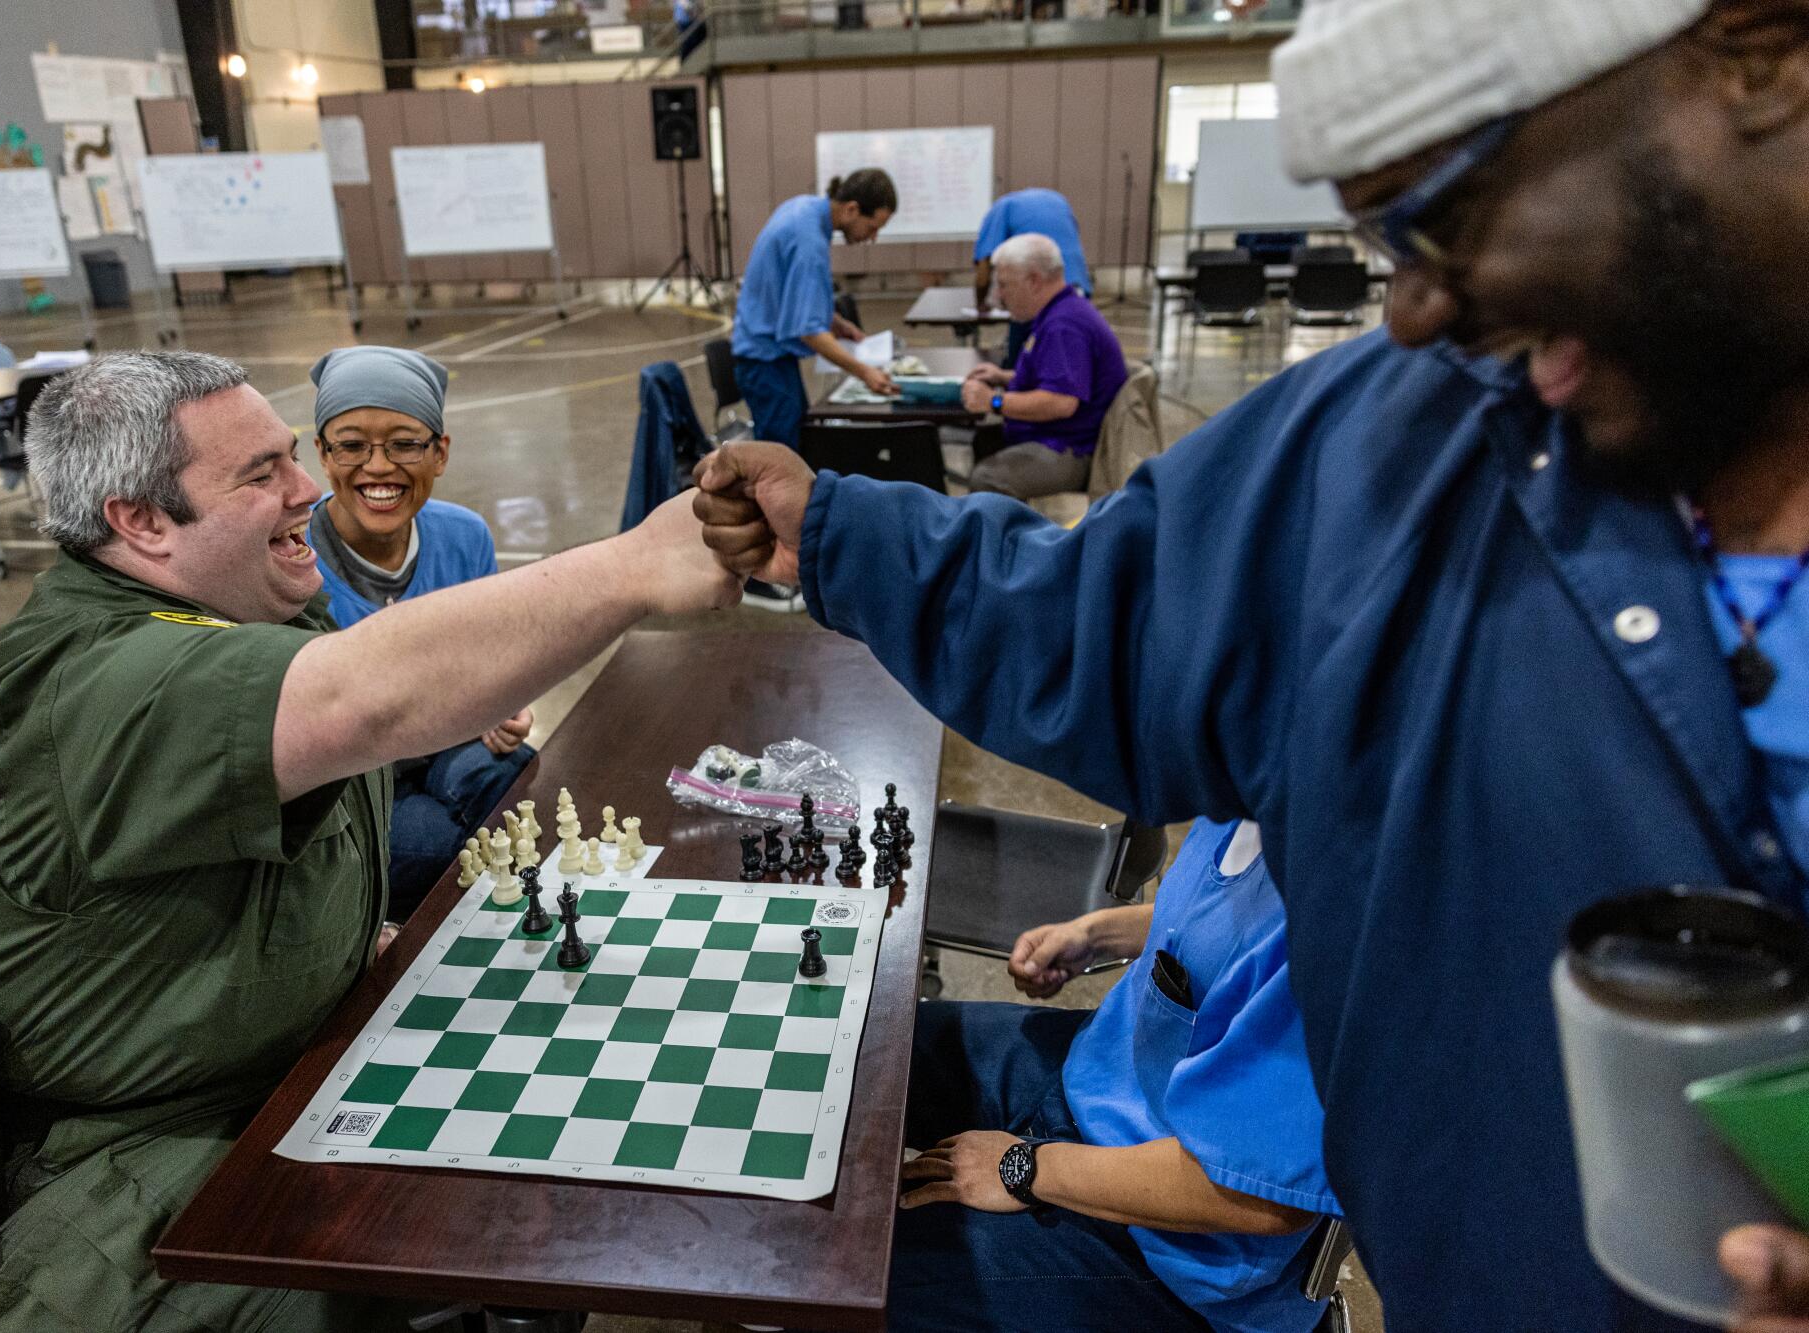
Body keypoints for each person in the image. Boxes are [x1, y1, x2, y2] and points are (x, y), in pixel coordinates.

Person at [691, 0, 1809, 1325]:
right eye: (1384, 240)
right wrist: (841, 531)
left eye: (1450, 206)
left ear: (1757, 58)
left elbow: (1259, 1183)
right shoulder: (1408, 436)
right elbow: (1091, 621)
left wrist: (1040, 1171)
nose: (1412, 306)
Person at [0, 351, 739, 1333]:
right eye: (260, 474)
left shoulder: (250, 601)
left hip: (234, 1079)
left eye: (289, 455)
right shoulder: (93, 688)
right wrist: (633, 567)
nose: (308, 487)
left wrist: (337, 946)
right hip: (98, 1176)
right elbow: (357, 697)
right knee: (486, 1222)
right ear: (139, 519)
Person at [892, 819, 1339, 1333]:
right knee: (874, 1046)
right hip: (1099, 1077)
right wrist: (1100, 933)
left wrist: (1024, 1167)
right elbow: (1221, 918)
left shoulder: (1332, 917)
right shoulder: (1245, 800)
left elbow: (1259, 1199)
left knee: (864, 1281)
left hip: (1170, 1250)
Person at [302, 346, 533, 920]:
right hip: (351, 780)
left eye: (405, 443)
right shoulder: (293, 562)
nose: (378, 467)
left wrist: (503, 704)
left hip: (446, 742)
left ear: (440, 453)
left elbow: (490, 663)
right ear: (323, 456)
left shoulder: (464, 536)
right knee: (428, 844)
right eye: (352, 445)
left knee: (511, 777)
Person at [730, 168, 900, 453]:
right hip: (765, 363)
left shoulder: (803, 209)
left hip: (766, 358)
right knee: (782, 461)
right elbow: (809, 331)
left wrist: (834, 320)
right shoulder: (809, 243)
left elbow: (787, 291)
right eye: (872, 227)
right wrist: (865, 372)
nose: (872, 238)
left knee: (798, 443)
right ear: (851, 209)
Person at [957, 234, 1129, 500]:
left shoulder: (1064, 326)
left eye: (1004, 285)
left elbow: (1061, 402)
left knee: (988, 479)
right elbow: (1058, 377)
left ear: (1034, 281)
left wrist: (994, 401)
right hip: (1064, 436)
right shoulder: (1062, 311)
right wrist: (1004, 377)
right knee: (985, 441)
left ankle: (1011, 539)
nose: (999, 296)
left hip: (1073, 449)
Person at [971, 187, 1093, 367]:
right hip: (1077, 282)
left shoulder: (1000, 210)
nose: (1001, 294)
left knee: (1022, 361)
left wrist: (980, 304)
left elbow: (983, 269)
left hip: (1043, 290)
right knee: (1061, 358)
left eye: (1003, 286)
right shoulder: (1057, 200)